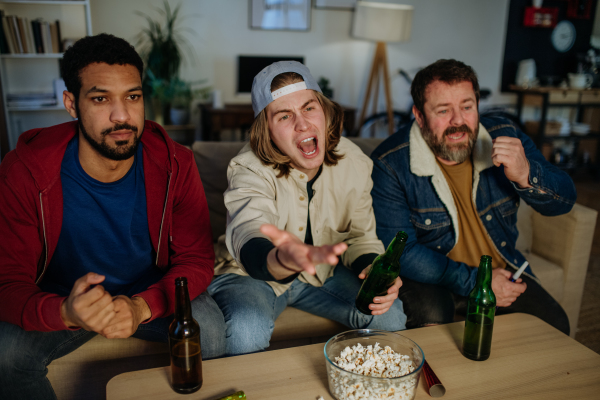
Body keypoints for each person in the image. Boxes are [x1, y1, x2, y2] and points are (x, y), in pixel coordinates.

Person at [0, 34, 226, 399]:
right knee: (5, 355)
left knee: (211, 328)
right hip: (64, 298)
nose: (122, 116)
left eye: (133, 97)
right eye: (101, 98)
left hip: (149, 289)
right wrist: (65, 312)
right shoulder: (24, 172)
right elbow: (7, 284)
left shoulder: (176, 163)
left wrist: (141, 306)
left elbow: (196, 259)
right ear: (71, 103)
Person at [208, 61, 407, 356]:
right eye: (285, 116)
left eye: (309, 108)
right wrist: (282, 257)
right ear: (267, 130)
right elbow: (247, 230)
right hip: (251, 277)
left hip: (324, 275)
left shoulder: (355, 162)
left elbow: (361, 237)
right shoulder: (248, 167)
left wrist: (372, 267)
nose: (302, 124)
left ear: (325, 111)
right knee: (246, 329)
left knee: (390, 315)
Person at [370, 59, 575, 335]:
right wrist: (479, 281)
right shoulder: (390, 163)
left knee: (555, 327)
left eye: (467, 107)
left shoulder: (505, 134)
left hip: (500, 273)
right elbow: (402, 253)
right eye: (443, 110)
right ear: (419, 116)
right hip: (432, 281)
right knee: (432, 322)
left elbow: (565, 199)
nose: (458, 121)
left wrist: (527, 174)